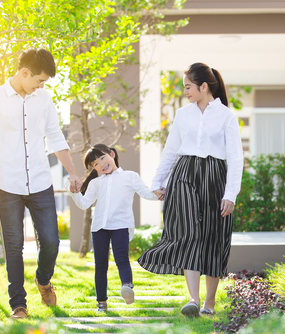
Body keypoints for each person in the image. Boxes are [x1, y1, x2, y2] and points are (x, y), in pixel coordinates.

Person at [0, 48, 81, 319]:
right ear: (25, 72)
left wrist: (73, 172)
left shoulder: (43, 100)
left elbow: (55, 136)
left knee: (51, 240)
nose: (41, 86)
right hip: (6, 183)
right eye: (39, 80)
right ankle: (18, 304)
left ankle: (43, 281)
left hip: (40, 181)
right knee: (13, 245)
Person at [138, 62, 244, 317]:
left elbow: (236, 157)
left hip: (214, 177)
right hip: (184, 175)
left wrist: (230, 194)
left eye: (188, 87)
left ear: (203, 86)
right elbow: (171, 149)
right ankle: (193, 300)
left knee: (213, 237)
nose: (185, 91)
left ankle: (209, 302)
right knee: (188, 235)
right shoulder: (183, 114)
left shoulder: (226, 116)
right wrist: (157, 182)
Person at [67, 144, 161, 312]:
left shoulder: (130, 176)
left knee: (122, 259)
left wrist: (160, 192)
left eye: (102, 158)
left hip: (120, 225)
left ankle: (127, 287)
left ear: (112, 154)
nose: (100, 164)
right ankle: (101, 302)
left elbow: (146, 193)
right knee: (100, 265)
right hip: (100, 228)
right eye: (95, 164)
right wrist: (74, 192)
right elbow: (84, 204)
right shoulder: (95, 183)